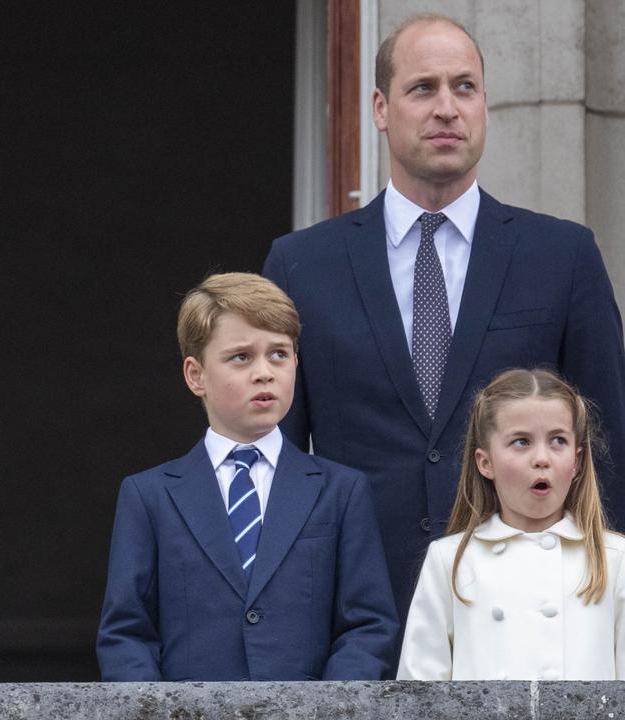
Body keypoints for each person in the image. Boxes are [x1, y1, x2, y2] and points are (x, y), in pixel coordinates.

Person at [262, 13, 625, 622]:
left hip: (531, 619)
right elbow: (280, 464)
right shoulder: (302, 266)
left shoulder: (562, 257)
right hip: (357, 621)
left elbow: (608, 451)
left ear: (484, 104)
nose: (447, 108)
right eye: (423, 88)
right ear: (380, 108)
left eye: (465, 87)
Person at [96, 272, 398, 681]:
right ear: (195, 375)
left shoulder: (341, 491)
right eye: (241, 357)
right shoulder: (148, 496)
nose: (264, 372)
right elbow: (126, 634)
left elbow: (368, 627)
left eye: (279, 354)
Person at [398, 369, 625, 679]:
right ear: (485, 462)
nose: (541, 458)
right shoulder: (449, 560)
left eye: (558, 440)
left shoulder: (615, 559)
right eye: (521, 442)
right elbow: (419, 692)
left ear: (577, 461)